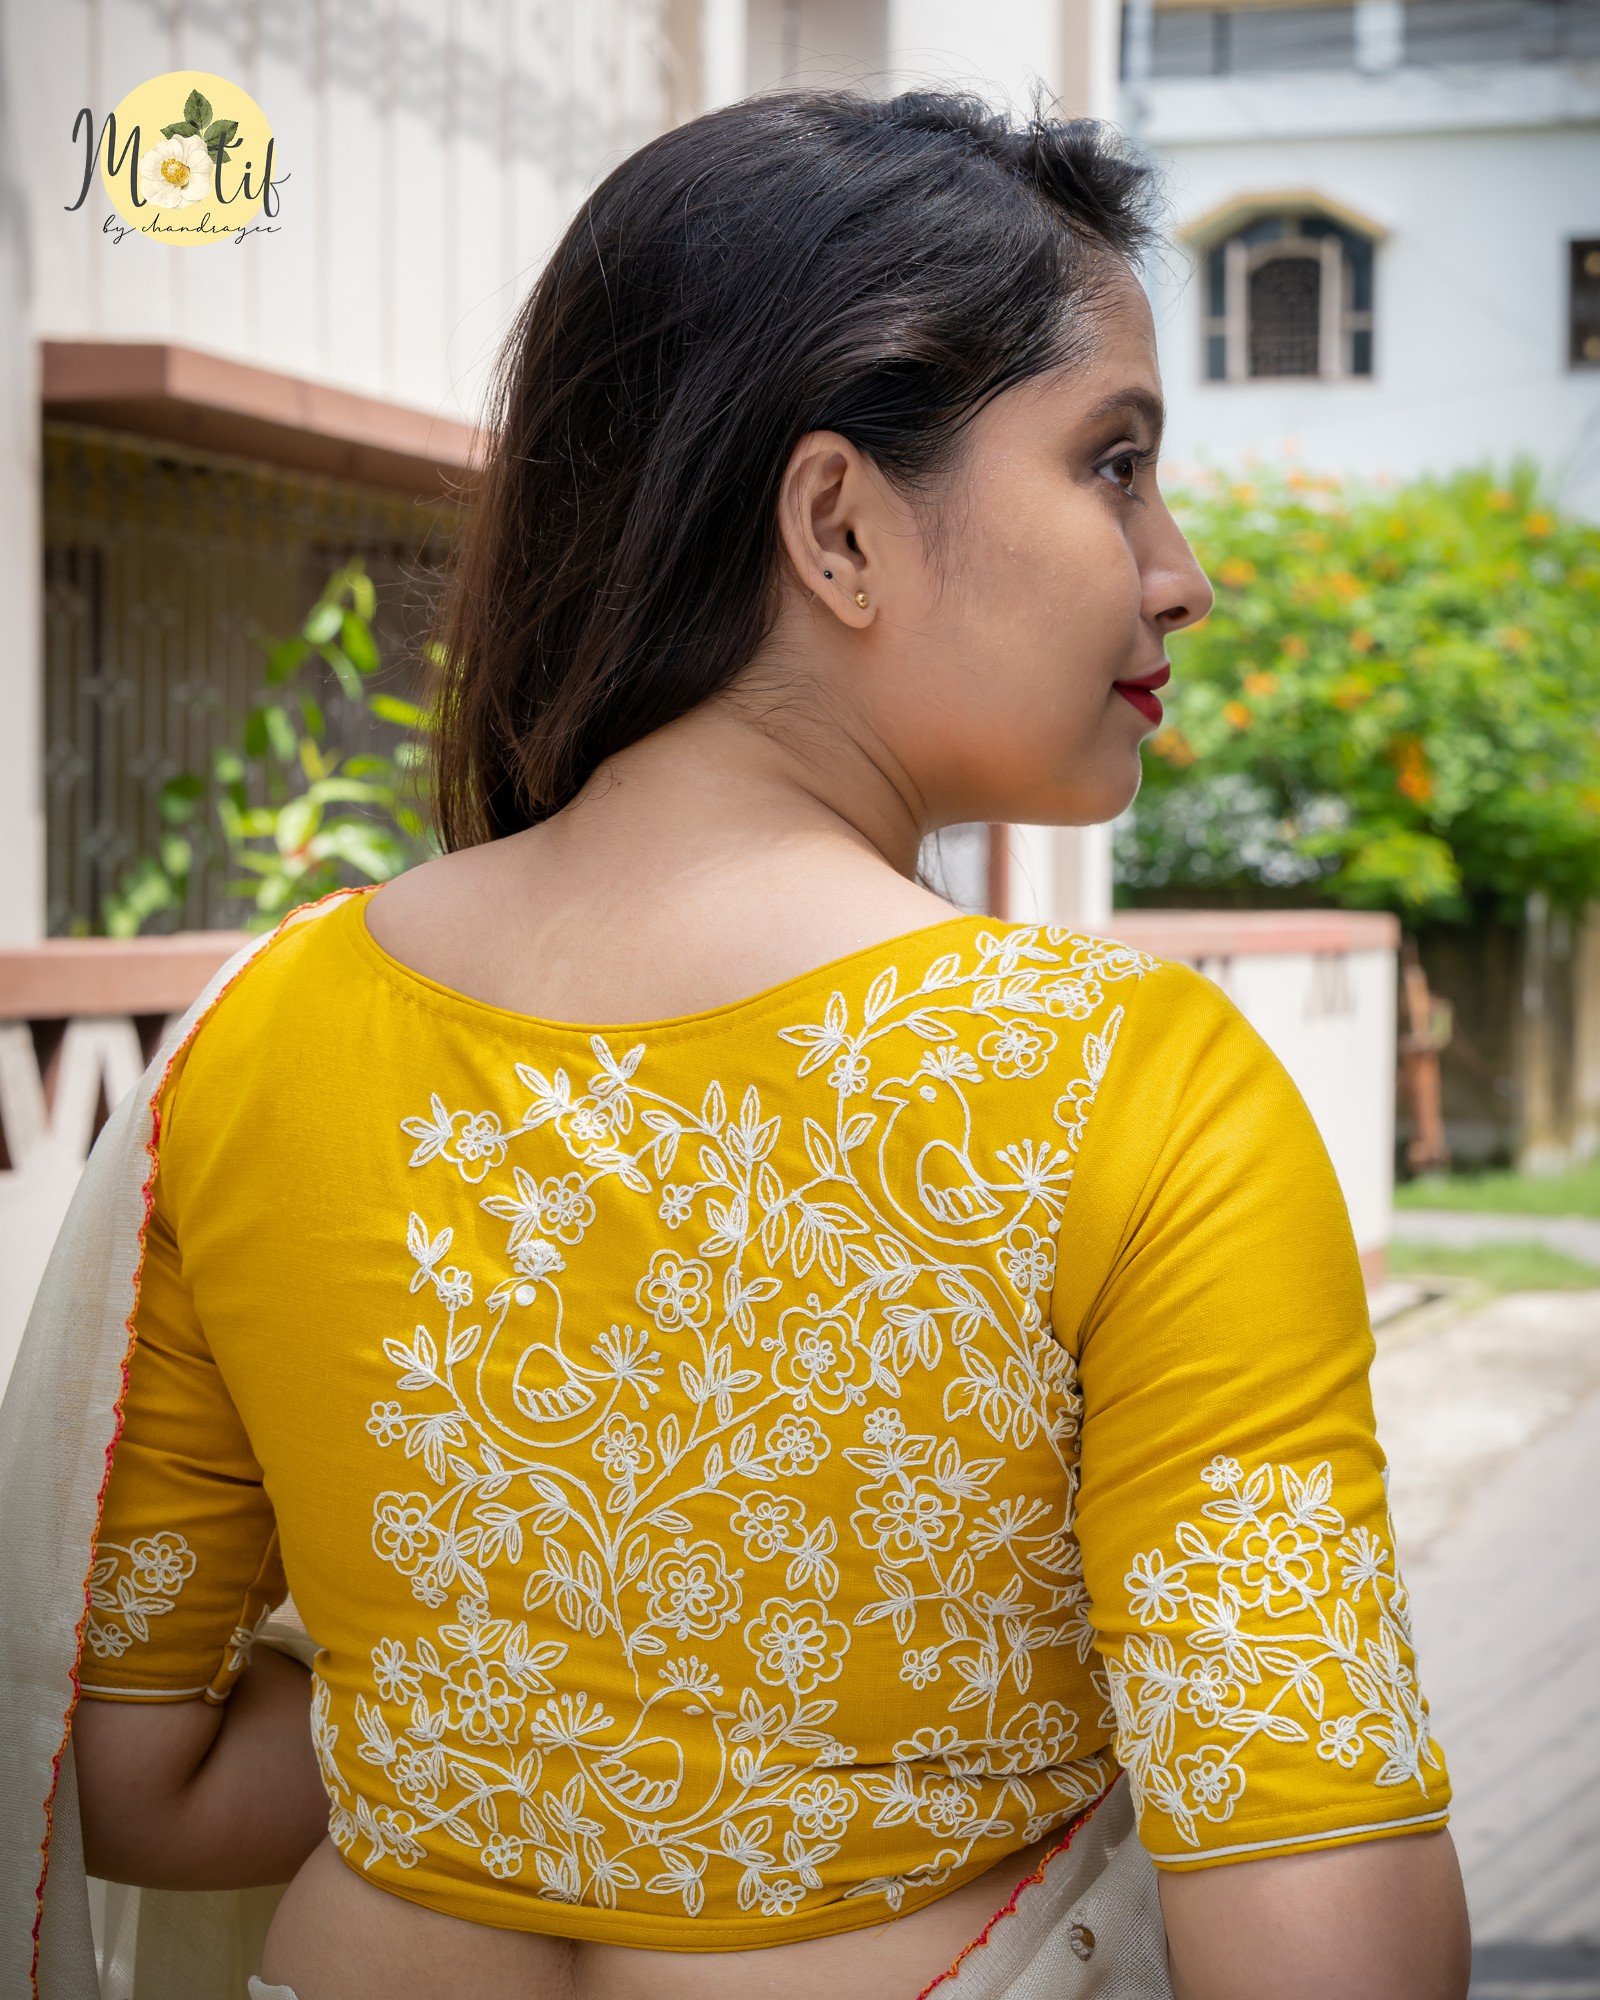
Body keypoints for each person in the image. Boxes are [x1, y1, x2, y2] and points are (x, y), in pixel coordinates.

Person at [1, 85, 1470, 2000]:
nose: (1177, 566)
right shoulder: (1134, 1085)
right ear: (838, 522)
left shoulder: (260, 1042)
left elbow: (144, 1783)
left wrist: (510, 1739)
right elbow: (1323, 1940)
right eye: (1115, 464)